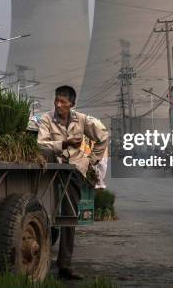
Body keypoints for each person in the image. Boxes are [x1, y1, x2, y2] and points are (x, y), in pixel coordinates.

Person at [37, 85, 109, 280]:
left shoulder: (82, 119)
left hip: (74, 171)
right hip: (50, 171)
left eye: (63, 102)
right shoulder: (46, 119)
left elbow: (104, 136)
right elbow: (40, 144)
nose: (58, 105)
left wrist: (91, 160)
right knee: (44, 212)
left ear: (72, 104)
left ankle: (65, 265)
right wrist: (64, 144)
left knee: (69, 217)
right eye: (56, 100)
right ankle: (39, 260)